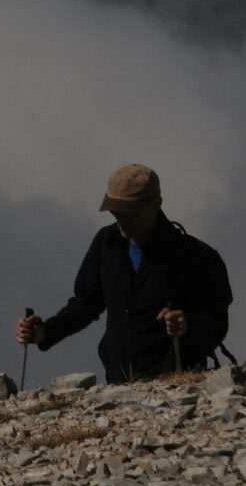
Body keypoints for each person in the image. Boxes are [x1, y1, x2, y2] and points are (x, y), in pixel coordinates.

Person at [17, 163, 230, 382]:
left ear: (156, 204)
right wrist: (44, 332)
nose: (123, 222)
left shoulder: (196, 257)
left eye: (132, 214)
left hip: (177, 384)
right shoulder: (106, 244)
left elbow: (217, 324)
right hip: (118, 384)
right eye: (117, 214)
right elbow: (86, 304)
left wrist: (188, 325)